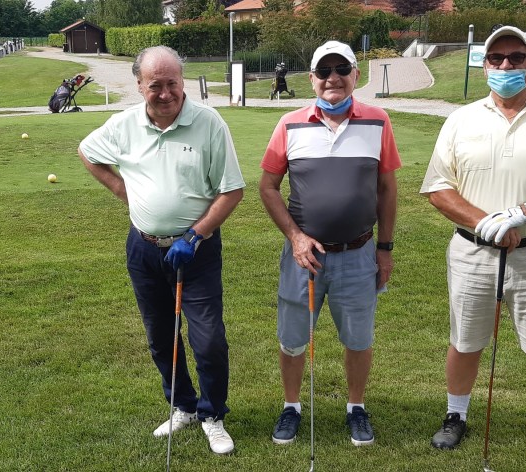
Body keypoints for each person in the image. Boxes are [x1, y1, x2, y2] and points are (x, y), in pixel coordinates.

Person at [419, 25, 526, 468]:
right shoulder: (461, 119)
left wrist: (524, 212)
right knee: (465, 340)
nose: (506, 65)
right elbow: (438, 187)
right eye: (496, 58)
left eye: (516, 57)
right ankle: (456, 415)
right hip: (473, 251)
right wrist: (487, 222)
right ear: (485, 65)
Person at [78, 45, 245, 455]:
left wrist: (196, 235)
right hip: (144, 249)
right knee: (160, 336)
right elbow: (87, 152)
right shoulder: (124, 125)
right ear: (139, 85)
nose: (166, 93)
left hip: (196, 250)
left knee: (208, 339)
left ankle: (212, 414)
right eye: (156, 85)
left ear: (182, 81)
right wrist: (124, 191)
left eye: (173, 83)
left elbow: (231, 190)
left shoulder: (208, 123)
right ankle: (182, 405)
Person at [259, 40, 401, 447]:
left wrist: (385, 249)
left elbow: (387, 189)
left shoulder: (378, 121)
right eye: (324, 71)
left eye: (341, 69)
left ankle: (356, 407)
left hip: (358, 253)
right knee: (292, 338)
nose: (332, 78)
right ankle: (291, 406)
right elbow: (268, 186)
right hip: (303, 257)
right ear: (312, 79)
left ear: (356, 74)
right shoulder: (289, 124)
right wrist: (296, 237)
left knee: (358, 338)